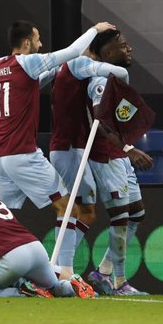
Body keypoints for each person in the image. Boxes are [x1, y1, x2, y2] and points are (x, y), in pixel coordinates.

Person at [0, 19, 114, 281]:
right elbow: (67, 53)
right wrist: (95, 30)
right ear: (26, 43)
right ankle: (64, 271)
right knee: (68, 207)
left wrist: (60, 68)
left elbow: (37, 79)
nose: (41, 44)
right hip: (22, 154)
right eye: (37, 39)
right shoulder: (27, 62)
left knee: (0, 220)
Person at [84, 29, 153, 296]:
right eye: (123, 46)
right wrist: (129, 148)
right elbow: (99, 121)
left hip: (120, 154)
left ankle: (101, 272)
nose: (129, 49)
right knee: (121, 218)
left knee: (137, 213)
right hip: (105, 156)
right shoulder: (100, 80)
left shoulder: (117, 79)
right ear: (109, 52)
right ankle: (118, 282)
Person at [48, 56, 130, 265]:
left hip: (76, 148)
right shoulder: (73, 67)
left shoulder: (71, 78)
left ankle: (57, 265)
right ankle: (57, 269)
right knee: (70, 209)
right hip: (67, 148)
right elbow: (120, 73)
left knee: (87, 213)